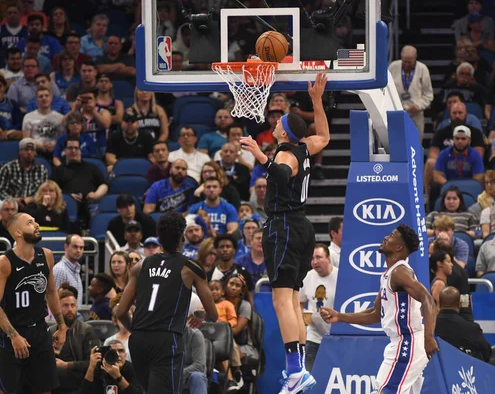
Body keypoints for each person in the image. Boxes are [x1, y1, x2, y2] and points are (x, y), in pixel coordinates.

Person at [239, 73, 330, 392]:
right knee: (292, 300)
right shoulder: (306, 145)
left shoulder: (286, 152)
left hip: (284, 226)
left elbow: (279, 174)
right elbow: (326, 137)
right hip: (301, 226)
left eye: (280, 122)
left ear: (286, 132)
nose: (275, 123)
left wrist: (259, 155)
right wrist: (317, 101)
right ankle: (299, 371)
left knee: (281, 301)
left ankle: (295, 371)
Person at [321, 224, 439, 394]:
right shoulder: (389, 274)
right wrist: (339, 317)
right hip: (403, 342)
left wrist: (429, 336)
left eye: (391, 236)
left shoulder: (400, 272)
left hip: (408, 342)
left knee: (385, 391)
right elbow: (374, 314)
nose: (385, 237)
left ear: (398, 247)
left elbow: (428, 299)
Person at [115, 211, 218, 394]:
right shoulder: (191, 267)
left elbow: (121, 311)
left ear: (159, 238)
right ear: (182, 236)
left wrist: (137, 331)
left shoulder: (140, 266)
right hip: (166, 340)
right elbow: (213, 315)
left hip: (138, 340)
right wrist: (200, 315)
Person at [0, 212, 67, 393]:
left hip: (39, 331)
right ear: (18, 232)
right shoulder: (5, 262)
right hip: (12, 334)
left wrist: (62, 326)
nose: (36, 225)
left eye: (36, 221)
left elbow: (52, 291)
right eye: (30, 223)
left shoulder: (47, 255)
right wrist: (14, 336)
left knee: (45, 388)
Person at [50, 289, 100, 393]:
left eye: (73, 305)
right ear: (58, 308)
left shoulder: (86, 330)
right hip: (55, 379)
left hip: (79, 377)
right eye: (66, 305)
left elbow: (93, 363)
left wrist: (66, 365)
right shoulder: (51, 331)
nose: (70, 309)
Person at [299, 244, 338, 372]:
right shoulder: (308, 277)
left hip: (335, 336)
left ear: (328, 258)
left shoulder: (340, 277)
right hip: (313, 336)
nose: (315, 262)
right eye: (312, 258)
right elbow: (299, 303)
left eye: (319, 257)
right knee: (311, 375)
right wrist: (302, 320)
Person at [388, 45, 434, 141]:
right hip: (397, 112)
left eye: (410, 62)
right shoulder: (393, 67)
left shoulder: (422, 69)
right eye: (405, 61)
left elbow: (428, 94)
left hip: (416, 113)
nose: (407, 64)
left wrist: (418, 105)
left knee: (415, 143)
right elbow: (386, 90)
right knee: (396, 142)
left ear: (415, 58)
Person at [434, 286, 491, 362]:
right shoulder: (472, 328)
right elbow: (486, 352)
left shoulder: (429, 327)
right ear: (459, 304)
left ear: (439, 303)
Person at [53, 234, 85, 307]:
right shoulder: (59, 270)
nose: (78, 250)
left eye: (81, 248)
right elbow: (54, 300)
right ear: (66, 247)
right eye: (75, 247)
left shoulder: (76, 269)